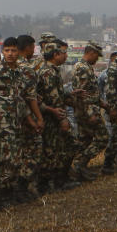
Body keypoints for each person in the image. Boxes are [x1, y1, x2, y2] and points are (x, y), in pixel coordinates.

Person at [0, 37, 42, 209]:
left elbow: (23, 99)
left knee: (17, 160)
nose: (11, 54)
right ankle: (2, 198)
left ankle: (11, 194)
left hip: (17, 121)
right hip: (1, 122)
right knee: (8, 160)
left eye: (13, 51)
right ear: (3, 52)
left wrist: (31, 120)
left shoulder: (21, 72)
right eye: (7, 51)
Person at [35, 41, 78, 193]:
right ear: (55, 55)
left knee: (59, 149)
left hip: (52, 115)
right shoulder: (48, 72)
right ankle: (45, 185)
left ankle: (57, 181)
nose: (65, 56)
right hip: (51, 117)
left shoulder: (51, 70)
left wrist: (69, 95)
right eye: (63, 53)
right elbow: (53, 99)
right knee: (50, 151)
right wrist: (63, 119)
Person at [69, 41, 112, 181]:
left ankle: (78, 170)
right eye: (97, 56)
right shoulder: (83, 68)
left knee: (85, 140)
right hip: (87, 111)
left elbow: (91, 92)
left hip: (87, 110)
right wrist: (90, 113)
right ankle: (78, 165)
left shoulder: (85, 67)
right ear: (91, 53)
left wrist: (104, 105)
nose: (97, 59)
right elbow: (82, 94)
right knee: (102, 138)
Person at [15, 34, 44, 200]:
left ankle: (20, 188)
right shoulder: (26, 68)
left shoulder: (8, 66)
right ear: (27, 48)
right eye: (33, 47)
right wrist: (38, 118)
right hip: (27, 118)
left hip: (13, 119)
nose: (34, 51)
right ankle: (22, 188)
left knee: (20, 153)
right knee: (33, 152)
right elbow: (30, 98)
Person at [100, 47, 117, 174]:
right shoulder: (113, 69)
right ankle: (108, 163)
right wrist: (112, 108)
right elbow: (108, 90)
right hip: (114, 107)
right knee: (114, 135)